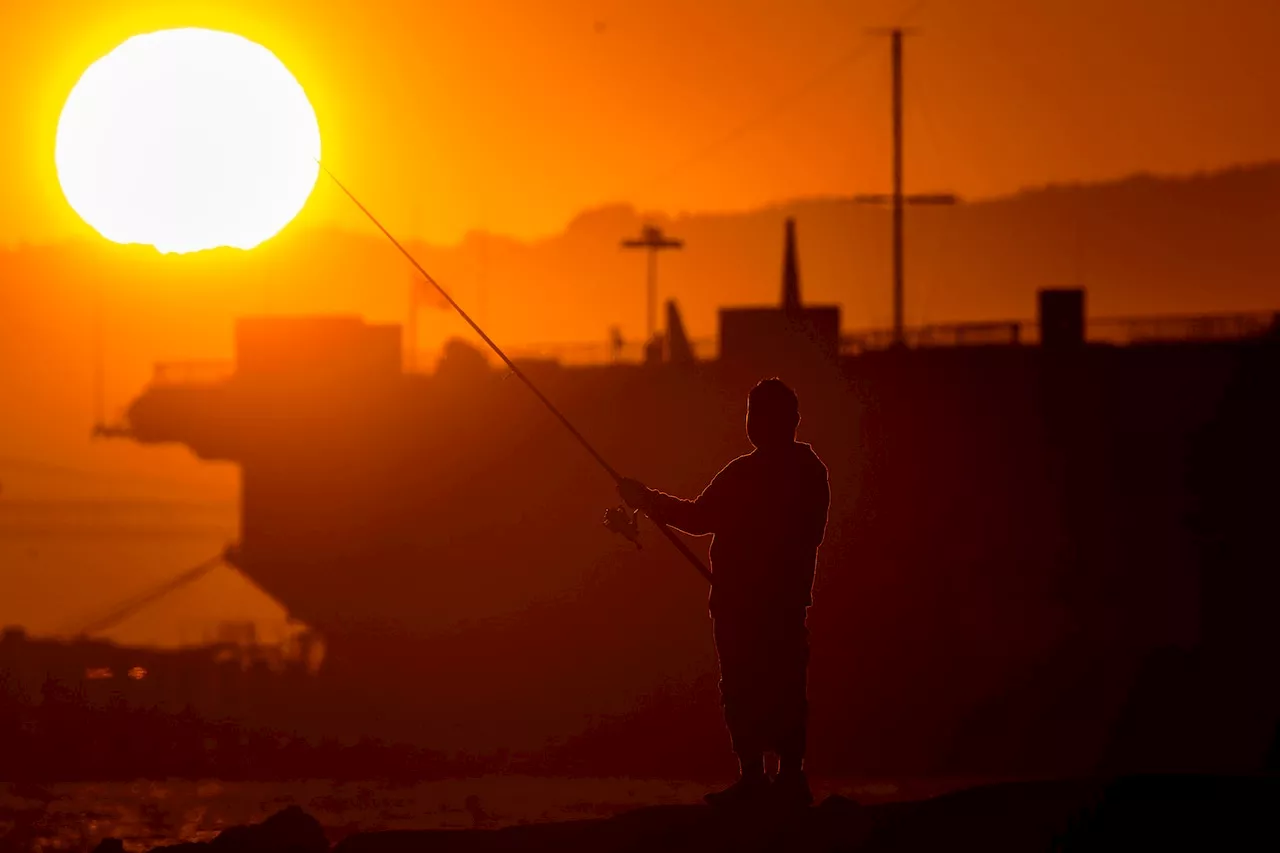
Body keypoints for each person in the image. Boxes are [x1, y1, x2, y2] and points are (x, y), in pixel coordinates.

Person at [617, 378, 830, 807]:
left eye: (763, 415)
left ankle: (782, 778)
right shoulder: (766, 472)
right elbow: (700, 518)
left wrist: (648, 500)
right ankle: (760, 778)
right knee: (747, 687)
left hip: (768, 606)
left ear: (791, 420)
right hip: (745, 605)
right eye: (752, 415)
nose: (756, 425)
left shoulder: (792, 474)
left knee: (772, 687)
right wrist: (647, 500)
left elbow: (707, 520)